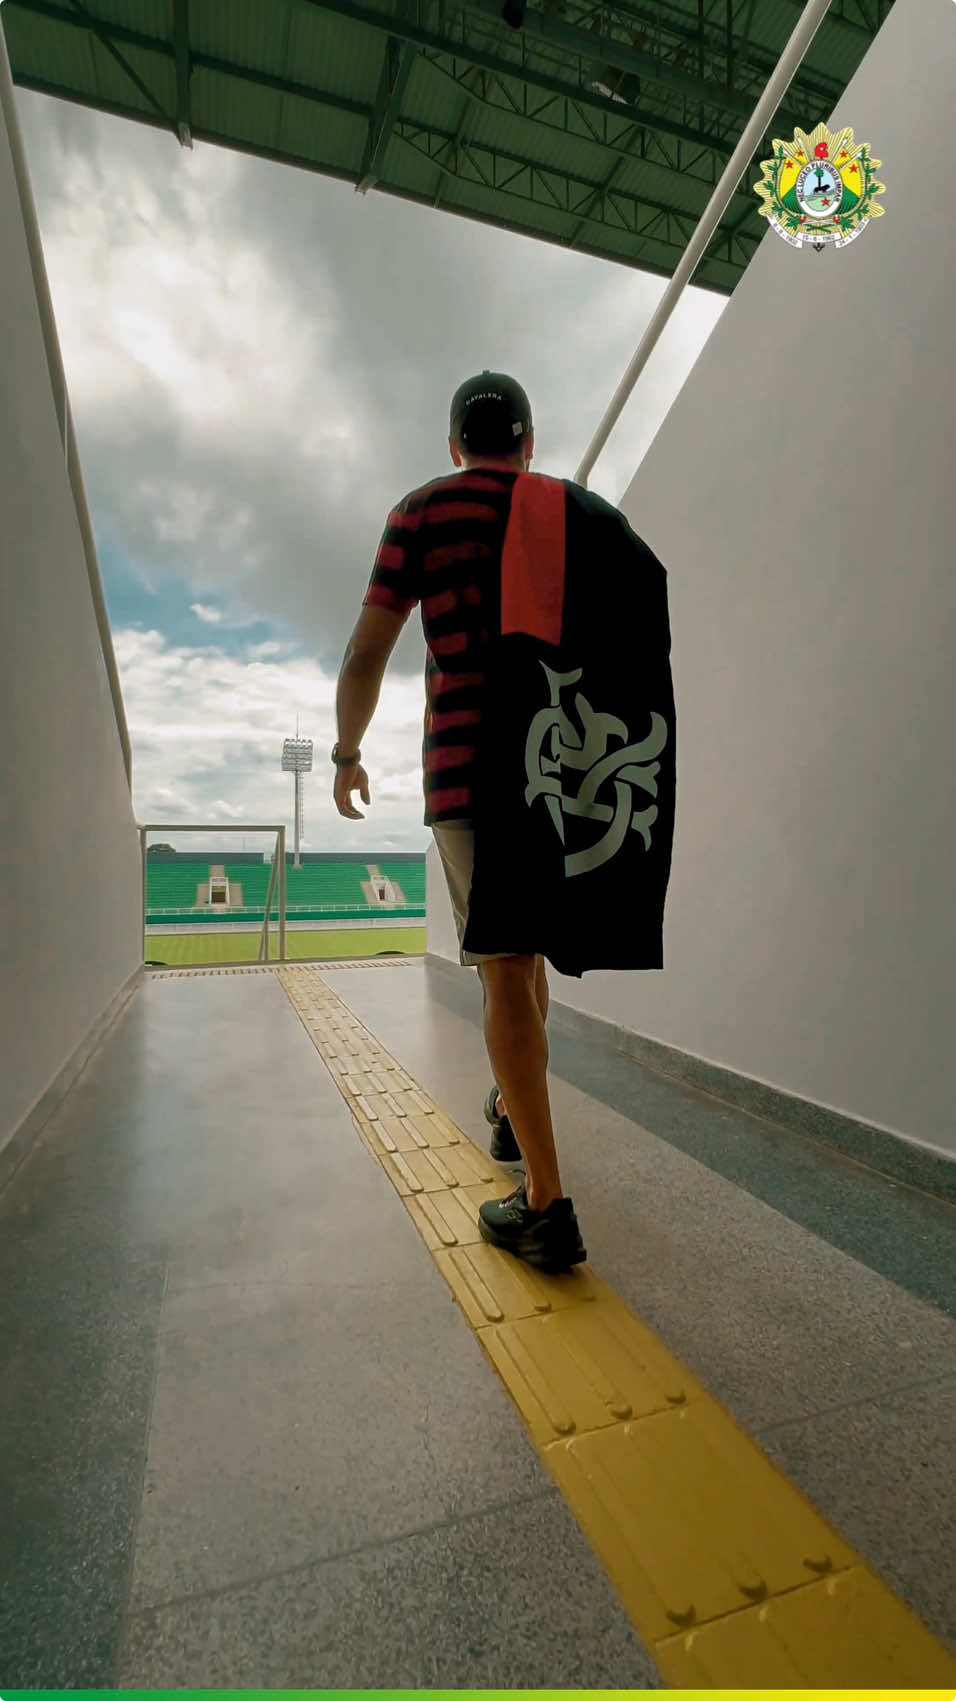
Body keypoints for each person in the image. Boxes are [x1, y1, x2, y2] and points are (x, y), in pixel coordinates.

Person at [333, 371, 664, 1273]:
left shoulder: (419, 512)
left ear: (454, 444)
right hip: (552, 771)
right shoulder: (570, 512)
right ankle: (514, 1115)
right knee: (521, 963)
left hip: (466, 774)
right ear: (529, 442)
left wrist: (345, 750)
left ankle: (547, 1204)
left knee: (505, 968)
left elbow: (370, 649)